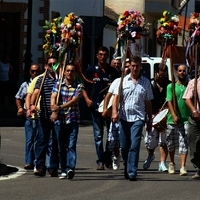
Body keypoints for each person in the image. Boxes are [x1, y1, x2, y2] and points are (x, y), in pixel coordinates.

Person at [112, 56, 153, 181]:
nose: (135, 68)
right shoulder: (122, 81)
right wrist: (114, 111)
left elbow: (148, 103)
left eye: (137, 66)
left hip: (138, 118)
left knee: (134, 145)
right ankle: (127, 166)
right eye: (133, 66)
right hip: (124, 117)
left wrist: (149, 119)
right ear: (129, 66)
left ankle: (132, 171)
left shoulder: (145, 82)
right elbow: (116, 98)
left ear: (141, 66)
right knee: (124, 146)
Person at [85, 46, 119, 170]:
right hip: (95, 107)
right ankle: (100, 160)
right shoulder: (90, 70)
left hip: (109, 107)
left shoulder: (113, 71)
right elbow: (83, 86)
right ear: (97, 56)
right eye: (100, 54)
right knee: (98, 135)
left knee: (111, 135)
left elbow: (117, 90)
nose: (103, 56)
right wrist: (87, 99)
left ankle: (107, 157)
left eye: (105, 54)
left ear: (108, 56)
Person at [50, 64, 83, 179]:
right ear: (64, 72)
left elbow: (74, 101)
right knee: (61, 146)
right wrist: (53, 109)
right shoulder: (58, 84)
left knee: (71, 145)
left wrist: (59, 107)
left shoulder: (79, 86)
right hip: (59, 120)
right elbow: (53, 96)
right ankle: (63, 169)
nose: (70, 73)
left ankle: (70, 168)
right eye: (68, 71)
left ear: (75, 73)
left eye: (72, 71)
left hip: (72, 119)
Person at [30, 56, 59, 177]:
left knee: (56, 142)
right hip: (44, 115)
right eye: (50, 64)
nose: (52, 66)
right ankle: (40, 166)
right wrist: (32, 104)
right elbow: (36, 93)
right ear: (46, 66)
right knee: (42, 140)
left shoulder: (60, 79)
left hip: (57, 116)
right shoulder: (41, 80)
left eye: (54, 64)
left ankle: (53, 167)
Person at [102, 59, 130, 170]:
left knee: (126, 141)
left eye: (129, 66)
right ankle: (116, 156)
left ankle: (127, 161)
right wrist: (105, 108)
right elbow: (108, 95)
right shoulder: (117, 81)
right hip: (115, 115)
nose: (128, 69)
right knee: (113, 140)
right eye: (126, 67)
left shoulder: (135, 82)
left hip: (128, 116)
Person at [143, 65, 171, 171]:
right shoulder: (149, 83)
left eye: (164, 76)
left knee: (164, 141)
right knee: (149, 141)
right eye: (160, 75)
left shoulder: (169, 84)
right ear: (155, 73)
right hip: (151, 115)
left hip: (164, 115)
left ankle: (162, 163)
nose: (162, 78)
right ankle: (151, 155)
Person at [15, 63, 40, 169]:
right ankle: (29, 161)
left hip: (40, 116)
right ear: (30, 72)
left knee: (39, 140)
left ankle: (38, 161)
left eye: (37, 71)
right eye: (33, 71)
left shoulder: (42, 83)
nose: (35, 73)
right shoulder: (25, 84)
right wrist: (20, 108)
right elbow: (18, 97)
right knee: (29, 140)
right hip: (29, 116)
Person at [166, 64, 190, 175]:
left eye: (184, 71)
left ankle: (183, 167)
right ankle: (171, 163)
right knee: (171, 143)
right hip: (172, 119)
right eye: (180, 71)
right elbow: (169, 101)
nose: (182, 73)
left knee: (184, 143)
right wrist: (174, 115)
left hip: (185, 119)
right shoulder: (171, 86)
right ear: (176, 72)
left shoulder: (189, 86)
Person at [183, 65, 200, 179]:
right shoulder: (193, 83)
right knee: (194, 145)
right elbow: (187, 98)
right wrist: (194, 110)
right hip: (196, 119)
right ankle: (199, 168)